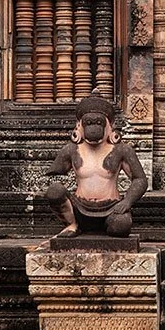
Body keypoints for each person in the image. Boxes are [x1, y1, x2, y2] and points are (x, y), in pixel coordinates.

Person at [44, 94, 144, 237]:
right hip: (78, 208)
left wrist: (127, 202)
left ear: (109, 125)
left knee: (121, 226)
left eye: (98, 123)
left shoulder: (121, 150)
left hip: (112, 208)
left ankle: (108, 227)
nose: (94, 128)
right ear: (79, 125)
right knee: (54, 191)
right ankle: (72, 225)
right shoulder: (71, 150)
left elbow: (140, 179)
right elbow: (54, 173)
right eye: (89, 123)